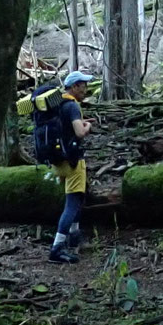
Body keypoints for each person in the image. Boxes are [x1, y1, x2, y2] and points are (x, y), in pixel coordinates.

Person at [45, 70, 93, 263]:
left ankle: (74, 237)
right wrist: (87, 127)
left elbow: (65, 129)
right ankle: (57, 248)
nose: (86, 89)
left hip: (58, 161)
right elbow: (80, 133)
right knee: (72, 203)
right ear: (74, 87)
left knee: (77, 198)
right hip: (72, 161)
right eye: (83, 86)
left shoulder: (58, 104)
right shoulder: (72, 106)